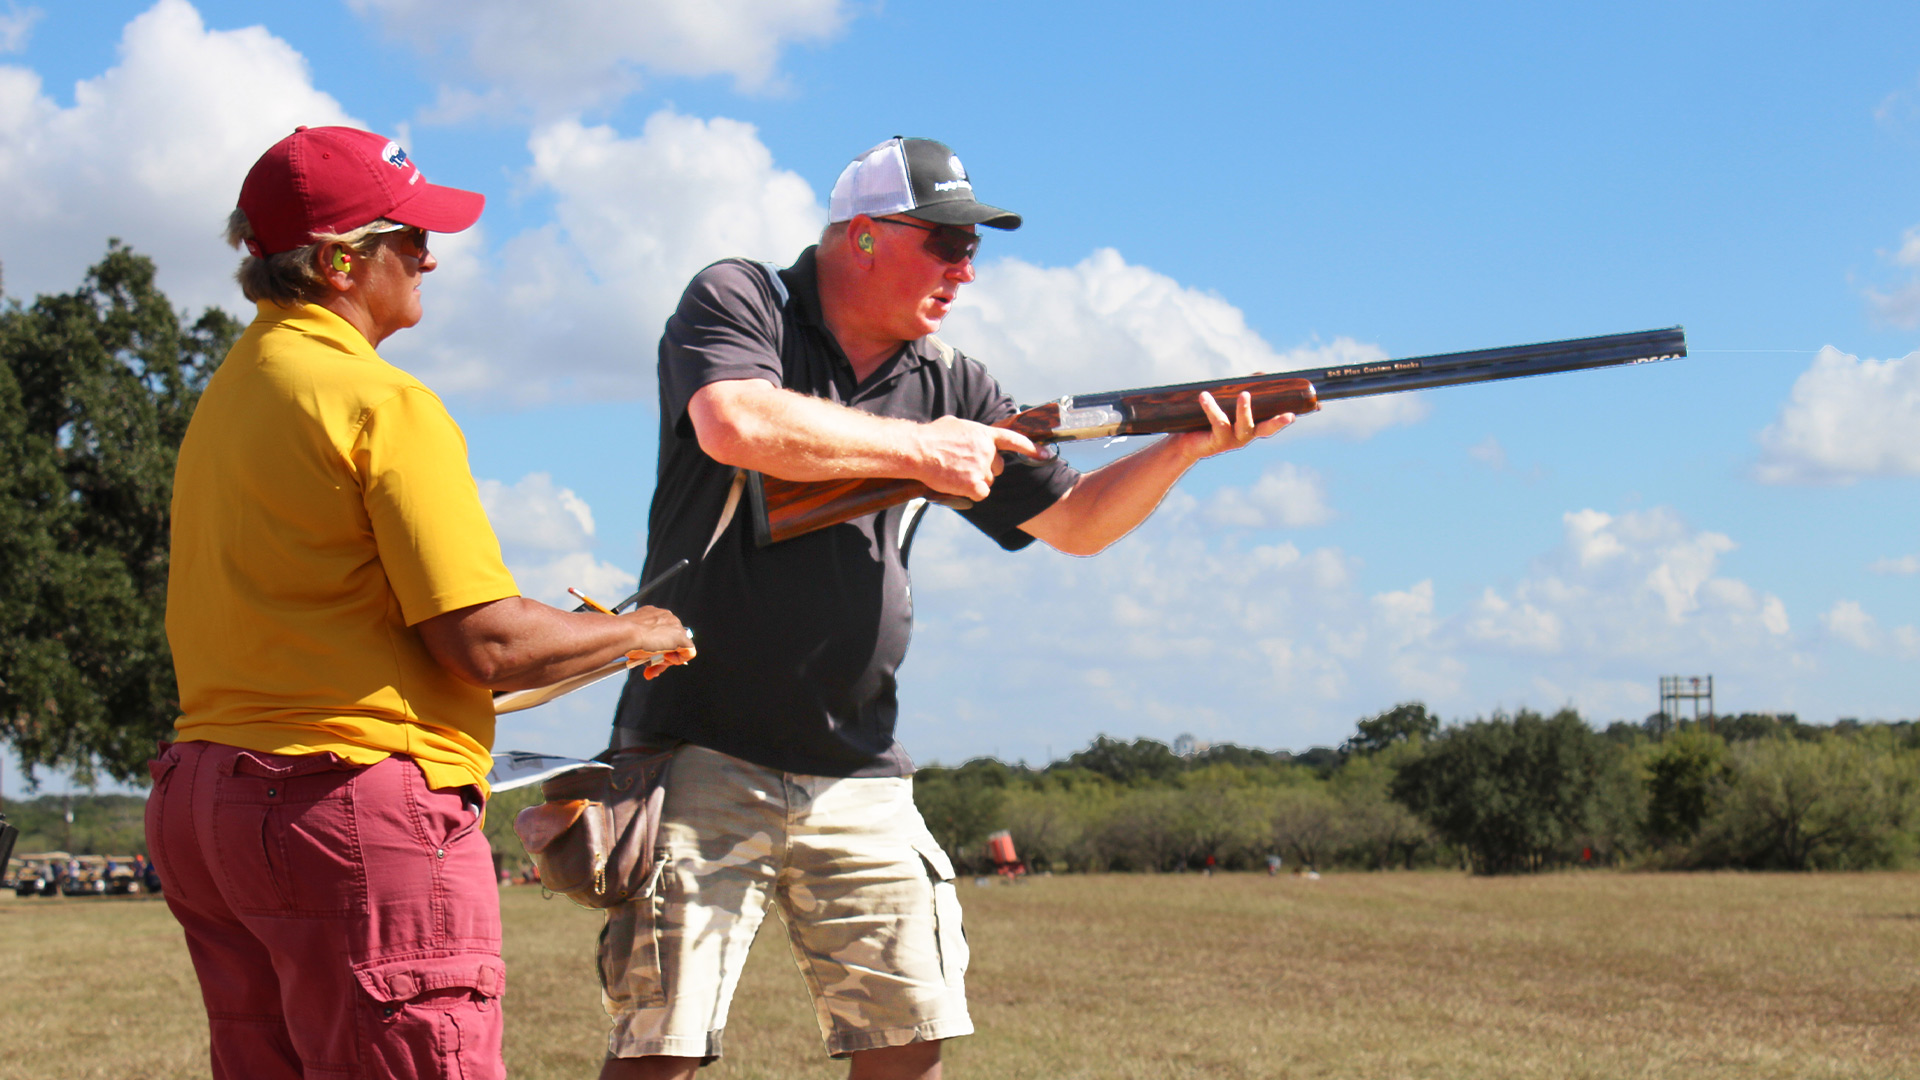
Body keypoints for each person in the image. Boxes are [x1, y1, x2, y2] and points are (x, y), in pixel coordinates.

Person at [599, 136, 1293, 1080]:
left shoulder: (953, 380)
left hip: (859, 763)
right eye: (945, 241)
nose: (965, 268)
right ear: (863, 236)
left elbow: (1080, 521)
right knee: (661, 1049)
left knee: (910, 1037)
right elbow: (737, 422)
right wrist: (922, 452)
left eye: (974, 247)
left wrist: (1181, 448)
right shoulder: (743, 297)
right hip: (697, 749)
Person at [146, 125, 693, 1080]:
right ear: (336, 262)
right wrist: (635, 631)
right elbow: (481, 643)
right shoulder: (381, 401)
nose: (429, 256)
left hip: (206, 805)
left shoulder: (232, 390)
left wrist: (583, 648)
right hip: (343, 812)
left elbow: (355, 636)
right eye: (407, 236)